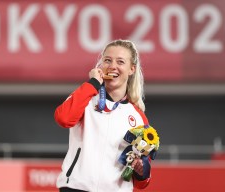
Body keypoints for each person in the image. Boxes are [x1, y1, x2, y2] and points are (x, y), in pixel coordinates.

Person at [54, 39, 153, 192]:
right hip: (77, 188)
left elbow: (142, 181)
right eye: (107, 60)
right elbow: (63, 118)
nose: (113, 66)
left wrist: (141, 171)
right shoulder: (85, 98)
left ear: (131, 69)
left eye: (120, 62)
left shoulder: (138, 117)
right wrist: (93, 83)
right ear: (100, 65)